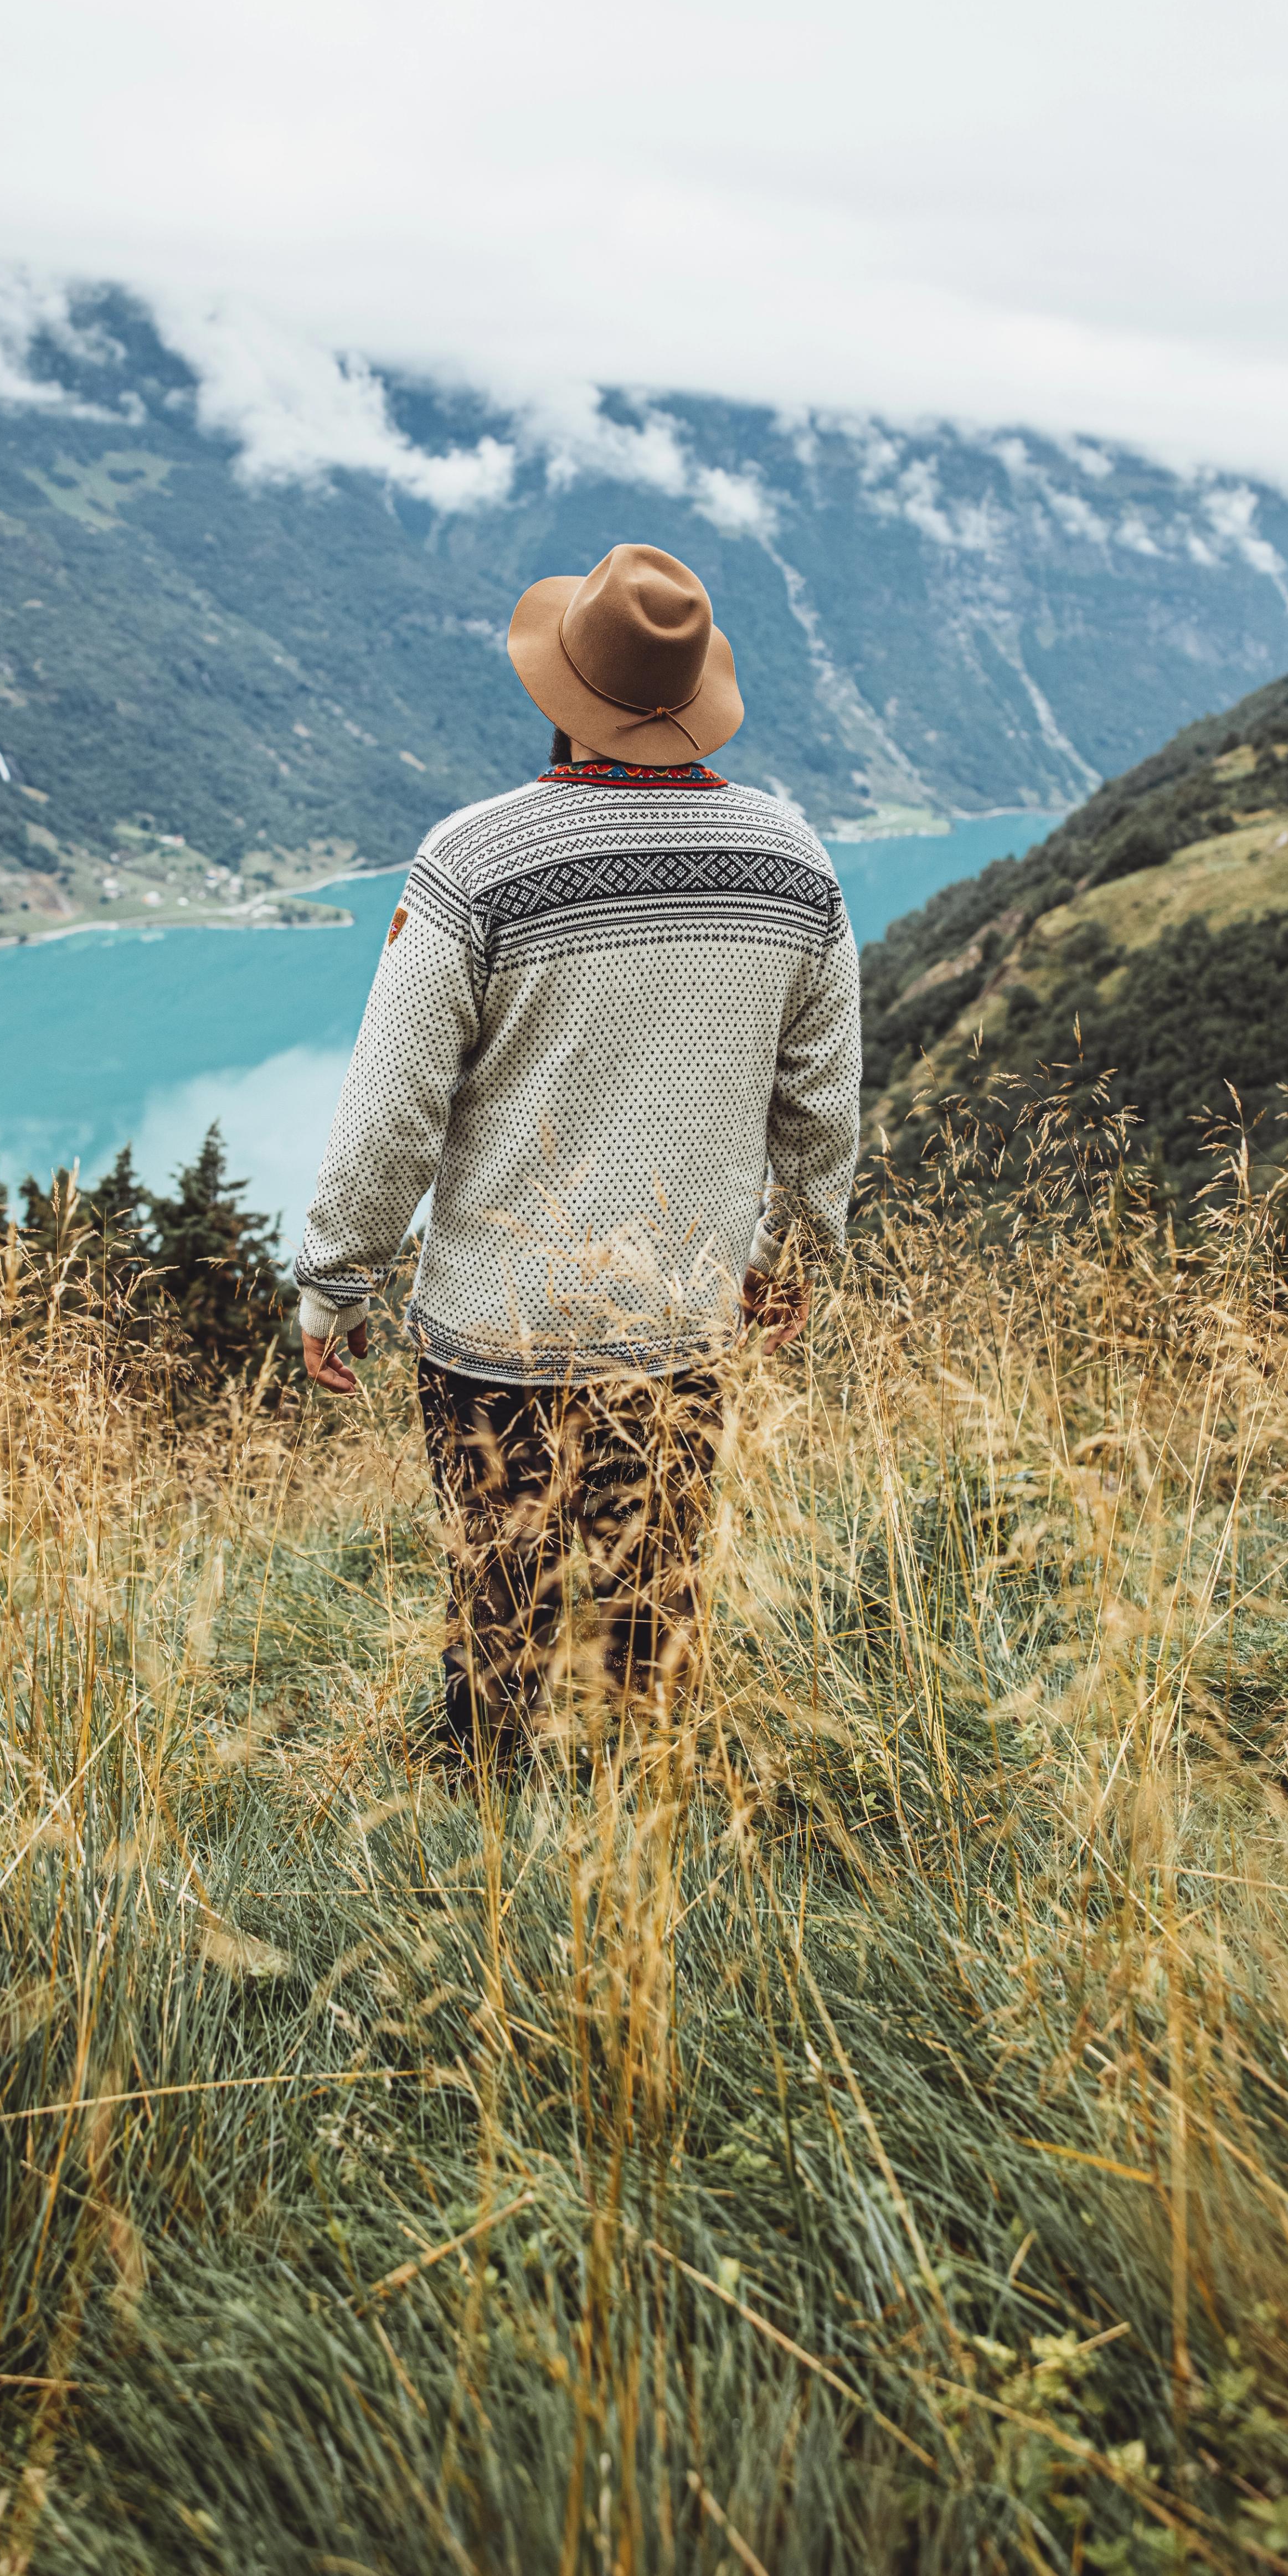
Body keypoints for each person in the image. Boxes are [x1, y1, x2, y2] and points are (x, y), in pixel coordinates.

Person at [293, 541, 862, 1757]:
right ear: (697, 698)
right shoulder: (797, 869)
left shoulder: (477, 860)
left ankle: (488, 1831)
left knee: (501, 1618)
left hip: (500, 1335)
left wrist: (338, 1277)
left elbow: (393, 1105)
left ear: (563, 694)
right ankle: (643, 1842)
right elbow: (822, 1109)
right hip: (681, 1322)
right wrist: (794, 1253)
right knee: (655, 1613)